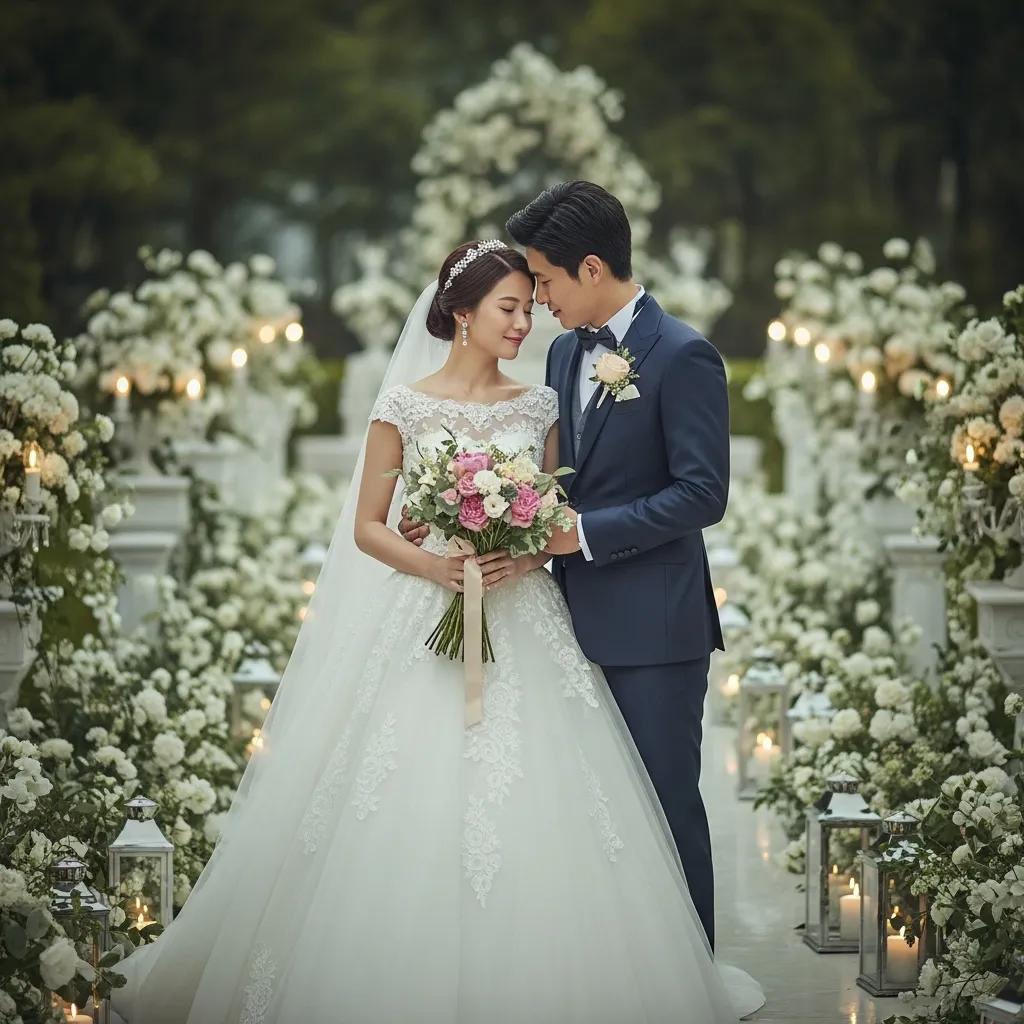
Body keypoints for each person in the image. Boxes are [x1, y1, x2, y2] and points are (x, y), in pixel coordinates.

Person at [110, 239, 761, 1023]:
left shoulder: (541, 402)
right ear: (461, 313)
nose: (526, 323)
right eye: (510, 308)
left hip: (526, 618)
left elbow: (557, 507)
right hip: (427, 612)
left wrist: (521, 550)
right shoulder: (404, 407)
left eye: (531, 304)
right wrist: (437, 567)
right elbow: (368, 528)